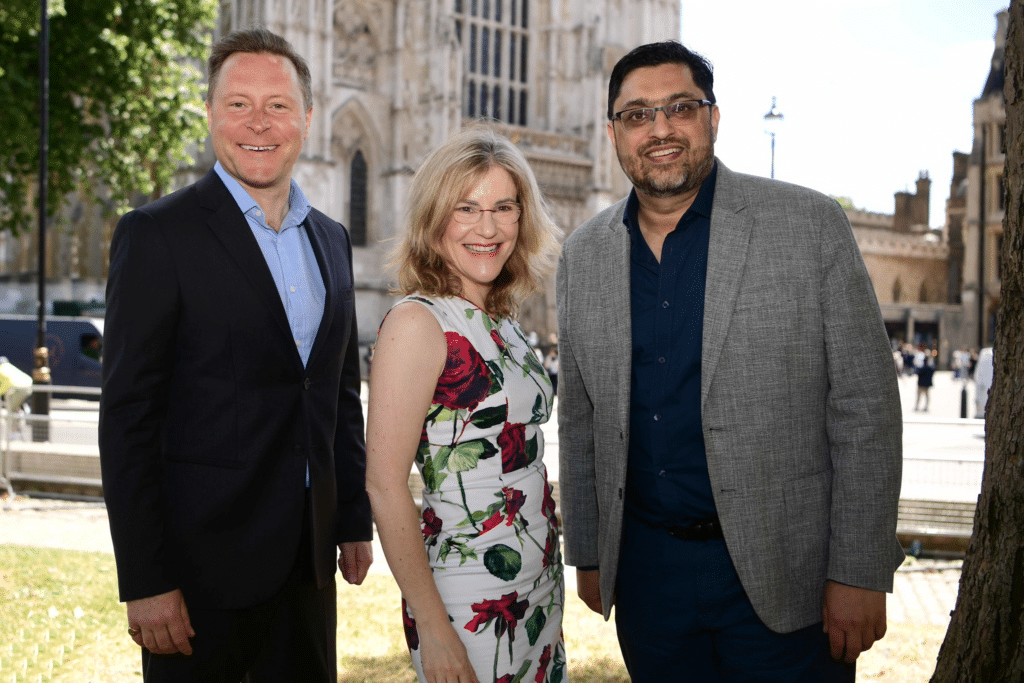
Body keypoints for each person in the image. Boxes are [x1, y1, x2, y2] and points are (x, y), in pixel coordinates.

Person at [556, 41, 903, 682]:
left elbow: (866, 406)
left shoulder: (808, 225)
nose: (659, 129)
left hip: (784, 577)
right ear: (613, 134)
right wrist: (588, 550)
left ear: (713, 118)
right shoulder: (583, 253)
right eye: (637, 115)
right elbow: (580, 418)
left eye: (679, 108)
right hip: (648, 578)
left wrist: (857, 571)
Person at [99, 27, 373, 682]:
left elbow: (336, 392)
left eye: (277, 105)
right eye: (238, 104)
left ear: (307, 117)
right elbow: (127, 420)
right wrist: (145, 578)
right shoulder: (158, 233)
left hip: (306, 568)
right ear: (210, 115)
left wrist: (351, 517)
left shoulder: (331, 240)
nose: (259, 123)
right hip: (199, 575)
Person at [365, 127, 565, 683]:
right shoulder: (418, 323)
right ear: (434, 220)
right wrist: (433, 626)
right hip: (468, 597)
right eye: (466, 208)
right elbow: (384, 485)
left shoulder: (501, 320)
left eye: (505, 207)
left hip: (537, 579)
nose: (488, 227)